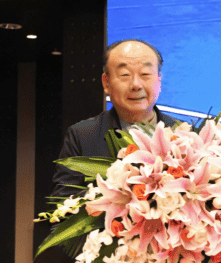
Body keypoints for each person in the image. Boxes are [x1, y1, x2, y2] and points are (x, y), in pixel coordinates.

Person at [51, 39, 181, 201]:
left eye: (145, 74)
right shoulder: (82, 136)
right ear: (106, 83)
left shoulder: (184, 134)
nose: (136, 85)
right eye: (125, 75)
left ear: (159, 80)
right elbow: (61, 204)